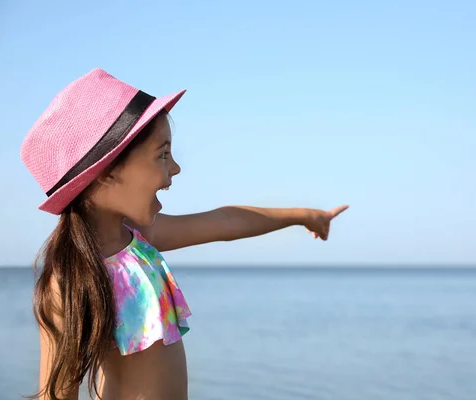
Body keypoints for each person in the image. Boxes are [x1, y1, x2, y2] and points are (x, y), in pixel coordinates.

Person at [20, 68, 348, 400]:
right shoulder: (70, 279)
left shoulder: (140, 239)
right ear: (107, 174)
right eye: (162, 154)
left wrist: (306, 216)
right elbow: (57, 394)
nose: (175, 168)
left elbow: (225, 223)